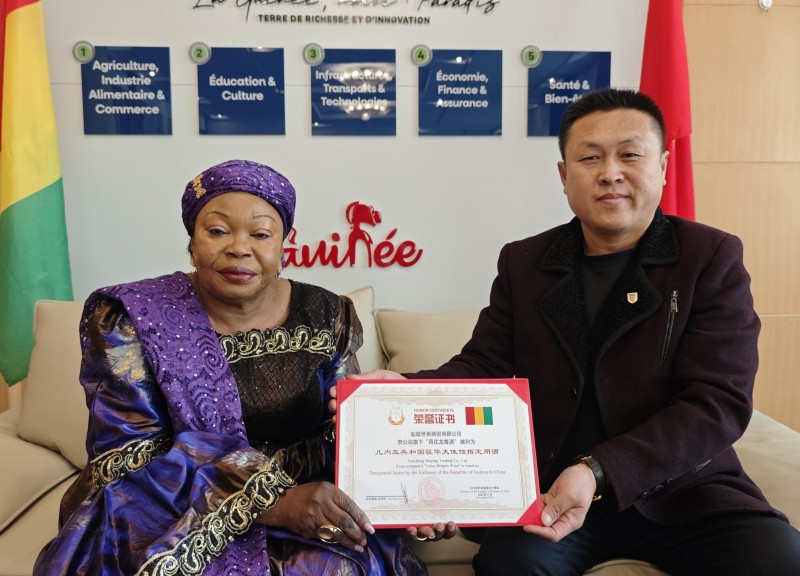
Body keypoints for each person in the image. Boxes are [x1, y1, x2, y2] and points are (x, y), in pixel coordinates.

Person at [346, 89, 800, 575]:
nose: (610, 173)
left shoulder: (709, 258)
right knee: (510, 564)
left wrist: (598, 470)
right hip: (554, 492)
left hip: (684, 492)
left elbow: (717, 402)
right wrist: (406, 392)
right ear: (564, 175)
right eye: (590, 158)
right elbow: (483, 366)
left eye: (630, 155)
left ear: (663, 167)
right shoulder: (526, 263)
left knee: (778, 558)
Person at [33, 159, 454, 576]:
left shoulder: (327, 313)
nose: (238, 247)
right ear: (192, 240)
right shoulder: (135, 318)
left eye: (260, 233)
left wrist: (409, 495)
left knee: (328, 567)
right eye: (217, 231)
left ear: (285, 243)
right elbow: (129, 456)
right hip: (171, 512)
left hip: (312, 507)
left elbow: (349, 434)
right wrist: (272, 502)